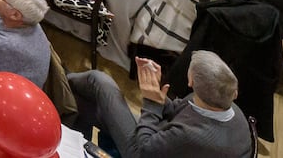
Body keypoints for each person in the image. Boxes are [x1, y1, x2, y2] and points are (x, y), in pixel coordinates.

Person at [68, 52, 251, 158]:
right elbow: (176, 110)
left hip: (142, 151)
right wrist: (156, 93)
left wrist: (151, 101)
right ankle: (61, 83)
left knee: (99, 81)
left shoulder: (193, 135)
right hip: (165, 144)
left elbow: (144, 150)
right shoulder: (227, 106)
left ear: (191, 81)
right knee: (87, 106)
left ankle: (60, 77)